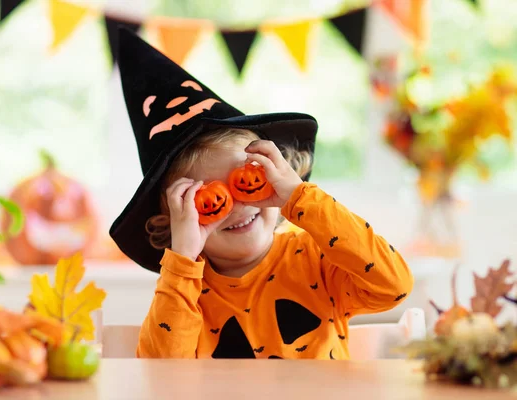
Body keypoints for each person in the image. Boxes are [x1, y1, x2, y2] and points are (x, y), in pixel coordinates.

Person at [110, 29, 414, 359]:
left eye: (250, 179)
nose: (238, 206)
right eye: (206, 200)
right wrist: (182, 259)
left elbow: (393, 287)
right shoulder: (183, 292)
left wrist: (301, 198)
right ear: (173, 221)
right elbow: (159, 379)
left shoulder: (318, 260)